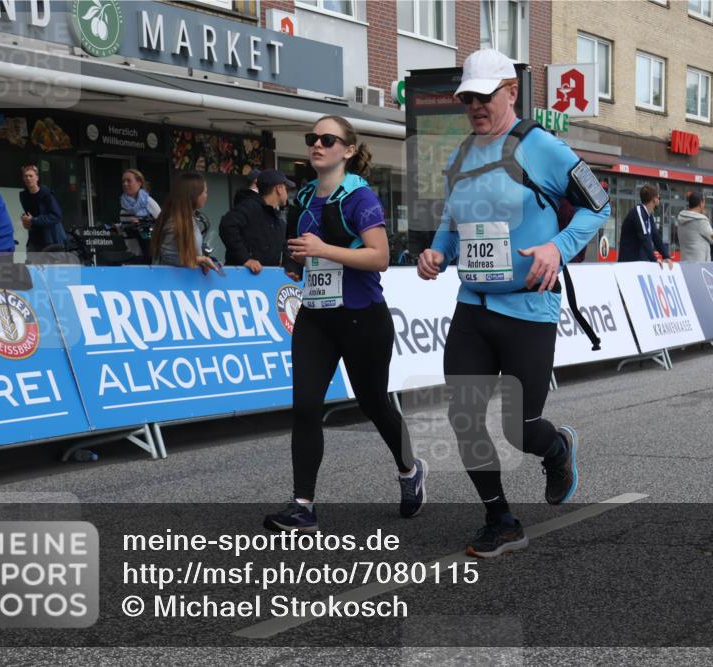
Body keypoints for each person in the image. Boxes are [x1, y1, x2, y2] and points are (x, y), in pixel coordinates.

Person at [416, 48, 610, 558]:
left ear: (511, 92)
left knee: (518, 428)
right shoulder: (459, 155)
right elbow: (453, 221)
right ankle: (500, 519)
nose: (476, 106)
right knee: (463, 415)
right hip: (474, 305)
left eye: (485, 96)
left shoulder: (542, 147)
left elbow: (599, 206)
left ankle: (556, 447)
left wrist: (557, 247)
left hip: (529, 308)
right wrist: (437, 252)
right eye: (468, 99)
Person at [263, 115, 422, 534]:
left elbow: (379, 257)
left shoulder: (360, 196)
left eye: (328, 139)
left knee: (375, 404)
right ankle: (303, 506)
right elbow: (301, 254)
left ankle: (409, 469)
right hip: (316, 316)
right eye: (312, 138)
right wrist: (297, 263)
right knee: (305, 406)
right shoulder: (303, 198)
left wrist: (323, 249)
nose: (317, 144)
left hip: (361, 316)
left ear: (348, 150)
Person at [219, 168, 294, 273]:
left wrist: (290, 270)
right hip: (242, 277)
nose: (287, 194)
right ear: (279, 189)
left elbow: (283, 249)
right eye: (286, 189)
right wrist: (245, 259)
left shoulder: (278, 220)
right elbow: (227, 225)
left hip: (266, 279)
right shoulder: (250, 207)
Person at [149, 172, 219, 273]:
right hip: (171, 280)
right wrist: (201, 259)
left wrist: (202, 261)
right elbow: (169, 257)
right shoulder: (174, 220)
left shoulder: (186, 219)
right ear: (193, 195)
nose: (206, 195)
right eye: (204, 192)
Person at [18, 164, 67, 252]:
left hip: (50, 239)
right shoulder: (24, 196)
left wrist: (34, 220)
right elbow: (29, 214)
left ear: (37, 178)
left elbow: (56, 216)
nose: (28, 178)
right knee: (31, 260)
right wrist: (25, 220)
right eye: (26, 176)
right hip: (34, 239)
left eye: (31, 176)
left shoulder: (46, 194)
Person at [618, 184, 671, 265]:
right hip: (629, 263)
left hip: (640, 262)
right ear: (654, 199)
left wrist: (666, 256)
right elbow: (644, 237)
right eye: (659, 198)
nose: (659, 200)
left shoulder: (649, 215)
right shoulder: (638, 212)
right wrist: (654, 259)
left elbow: (656, 237)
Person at [676, 192, 713, 263]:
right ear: (701, 203)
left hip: (685, 262)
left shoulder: (681, 218)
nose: (704, 205)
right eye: (704, 203)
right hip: (699, 264)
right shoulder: (701, 220)